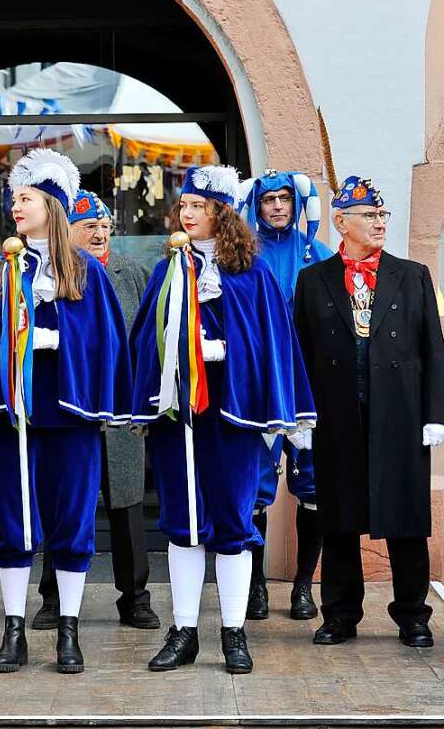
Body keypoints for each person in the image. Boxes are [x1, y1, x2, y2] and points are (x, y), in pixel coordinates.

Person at [130, 165, 315, 675]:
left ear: (222, 214)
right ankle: (184, 631)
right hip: (180, 416)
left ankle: (234, 632)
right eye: (183, 206)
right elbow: (146, 336)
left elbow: (272, 343)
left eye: (197, 207)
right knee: (182, 525)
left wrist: (223, 353)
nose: (186, 214)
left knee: (233, 524)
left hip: (232, 418)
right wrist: (174, 353)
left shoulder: (250, 274)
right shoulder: (169, 268)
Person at [0, 150, 132, 674]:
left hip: (72, 416)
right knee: (13, 521)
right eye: (14, 198)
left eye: (26, 198)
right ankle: (14, 630)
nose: (16, 206)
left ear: (52, 206)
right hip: (17, 418)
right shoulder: (2, 269)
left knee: (73, 522)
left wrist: (57, 339)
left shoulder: (86, 273)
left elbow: (107, 342)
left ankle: (68, 630)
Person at [294, 175, 444, 648]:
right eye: (369, 216)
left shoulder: (412, 274)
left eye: (383, 215)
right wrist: (299, 415)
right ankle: (340, 614)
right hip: (336, 416)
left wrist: (434, 414)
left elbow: (433, 351)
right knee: (338, 519)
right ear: (341, 222)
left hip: (399, 415)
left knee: (405, 520)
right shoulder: (312, 280)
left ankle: (413, 616)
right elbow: (301, 352)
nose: (380, 223)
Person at [33, 189, 158, 631]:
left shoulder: (135, 274)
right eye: (91, 226)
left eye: (106, 226)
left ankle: (135, 598)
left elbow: (147, 340)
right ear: (69, 231)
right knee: (64, 505)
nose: (102, 234)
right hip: (73, 412)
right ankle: (52, 600)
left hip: (118, 407)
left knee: (126, 505)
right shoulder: (52, 275)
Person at [237, 170, 331, 621]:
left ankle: (302, 587)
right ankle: (255, 588)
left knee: (311, 486)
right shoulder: (242, 255)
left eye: (284, 199)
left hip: (306, 386)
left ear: (297, 204)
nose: (276, 206)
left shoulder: (318, 255)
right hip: (258, 388)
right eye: (268, 199)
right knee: (255, 488)